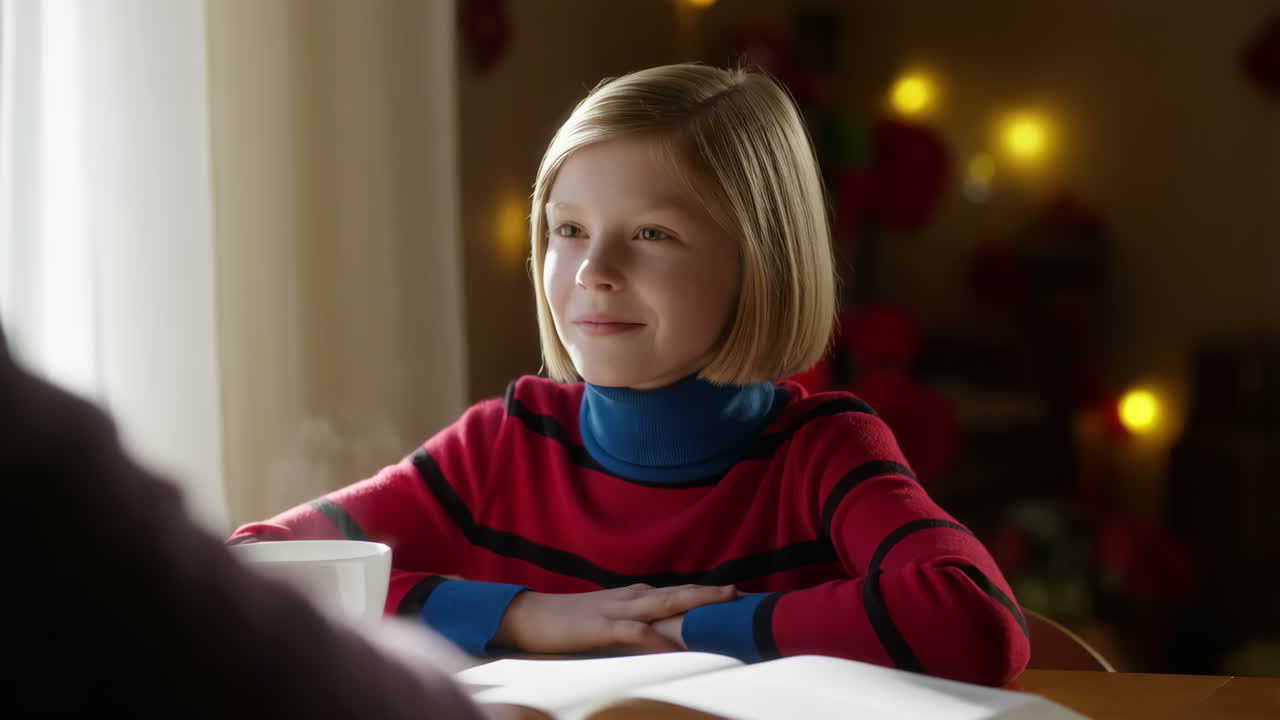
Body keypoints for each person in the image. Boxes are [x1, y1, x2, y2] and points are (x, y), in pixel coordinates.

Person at [230, 63, 1031, 686]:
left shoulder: (823, 453)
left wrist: (673, 628)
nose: (593, 271)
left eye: (651, 233)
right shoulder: (502, 445)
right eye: (569, 230)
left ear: (760, 263)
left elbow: (976, 622)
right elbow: (257, 566)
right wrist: (531, 618)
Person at [0, 327, 492, 719]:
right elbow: (254, 547)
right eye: (566, 231)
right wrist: (517, 611)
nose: (575, 274)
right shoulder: (491, 443)